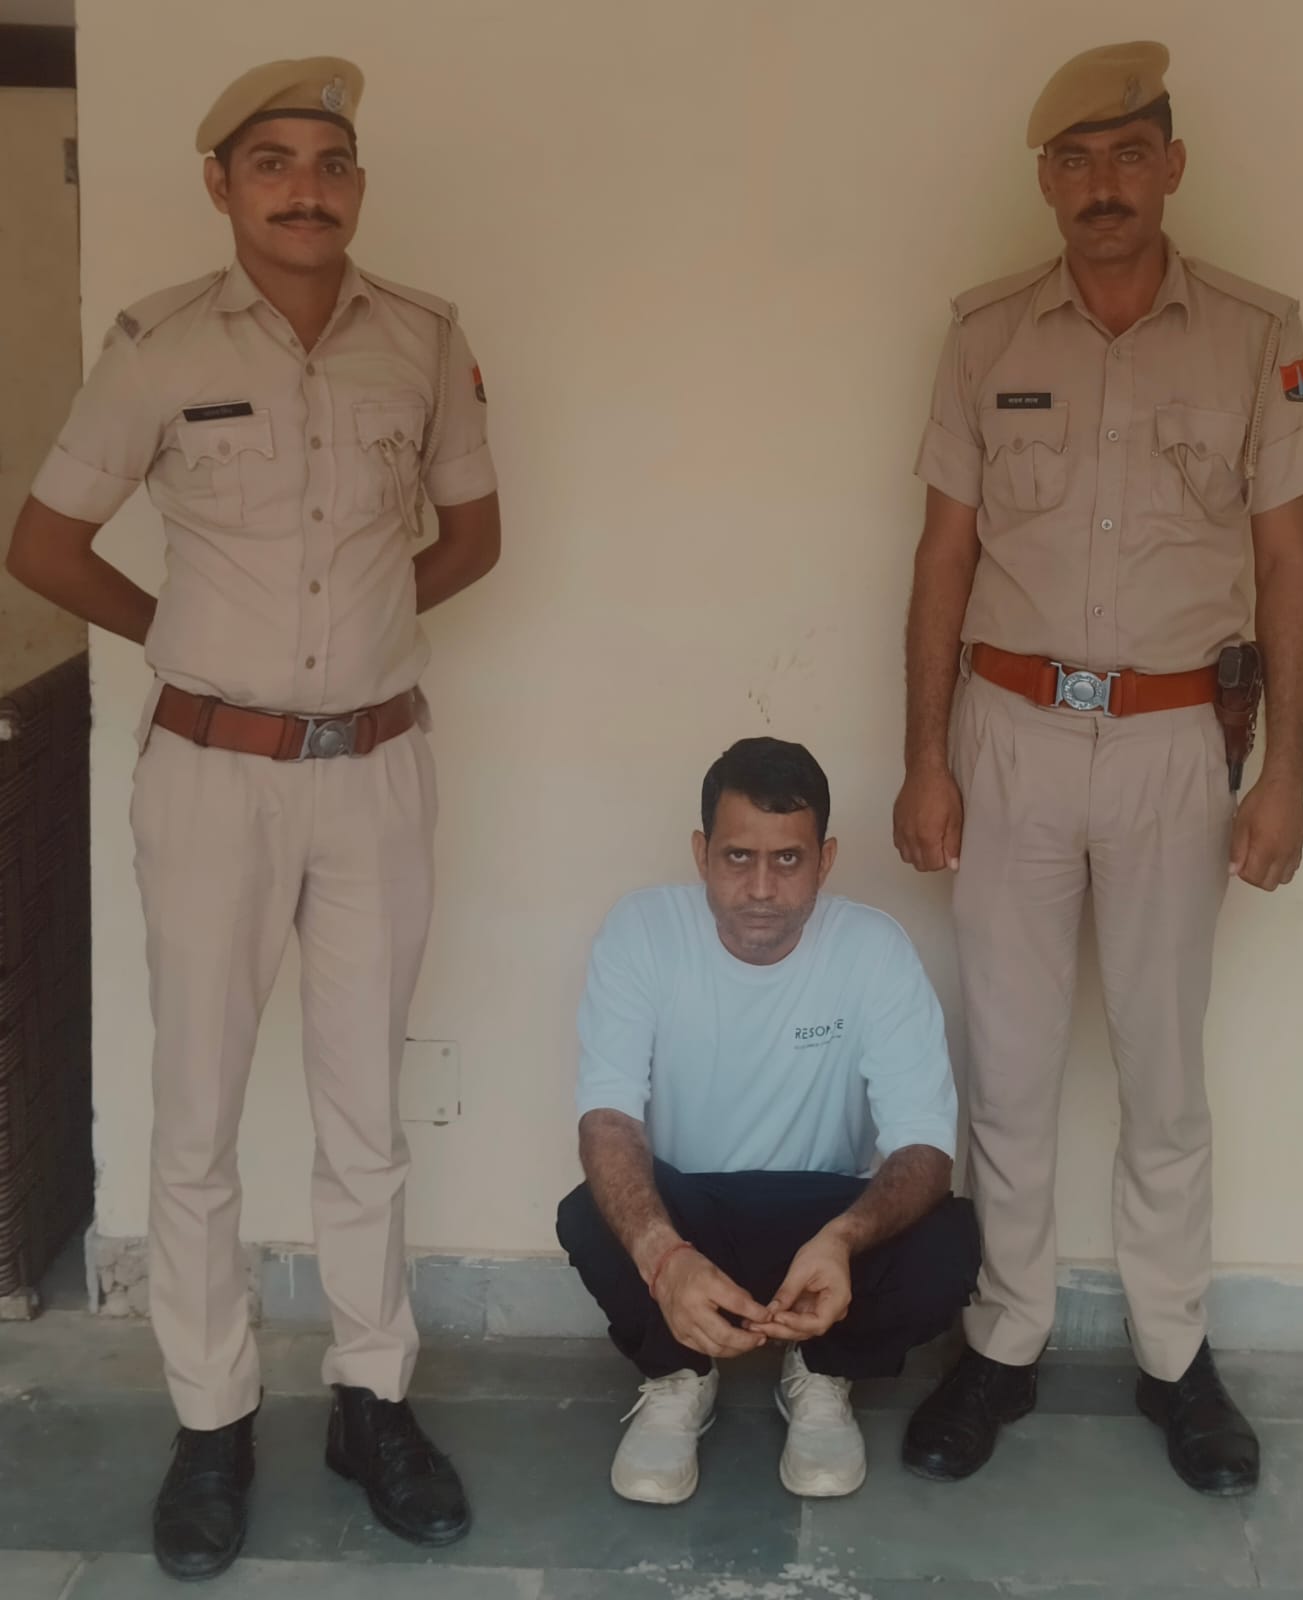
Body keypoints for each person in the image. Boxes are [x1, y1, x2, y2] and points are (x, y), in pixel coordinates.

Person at [6, 57, 501, 1578]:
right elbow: (45, 541)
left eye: (332, 161)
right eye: (273, 160)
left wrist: (361, 633)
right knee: (199, 1114)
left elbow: (475, 533)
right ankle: (212, 1421)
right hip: (212, 776)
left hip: (377, 771)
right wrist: (186, 637)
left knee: (364, 1114)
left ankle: (373, 1401)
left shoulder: (422, 339)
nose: (307, 187)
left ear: (358, 183)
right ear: (221, 184)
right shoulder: (157, 344)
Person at [892, 41, 1303, 1496]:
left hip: (1172, 744)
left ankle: (1173, 1351)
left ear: (1171, 166)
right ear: (1046, 180)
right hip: (1010, 735)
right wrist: (924, 760)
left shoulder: (1256, 335)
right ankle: (1003, 1338)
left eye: (1128, 155)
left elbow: (1290, 566)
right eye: (1075, 161)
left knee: (1162, 1068)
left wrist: (1284, 775)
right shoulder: (985, 336)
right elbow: (942, 560)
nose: (1103, 186)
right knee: (1009, 1065)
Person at [557, 737, 980, 1504]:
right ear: (701, 854)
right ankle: (679, 1375)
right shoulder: (642, 930)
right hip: (689, 1210)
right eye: (736, 857)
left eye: (787, 860)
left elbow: (923, 1145)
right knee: (592, 1211)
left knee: (948, 1243)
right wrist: (663, 1257)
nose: (760, 887)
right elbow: (607, 1118)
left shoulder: (873, 948)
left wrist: (843, 1240)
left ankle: (823, 1371)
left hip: (822, 1222)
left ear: (825, 860)